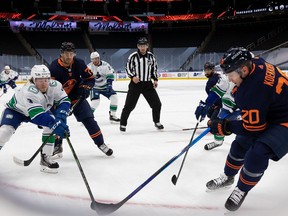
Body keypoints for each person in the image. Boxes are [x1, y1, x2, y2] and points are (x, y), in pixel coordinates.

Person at [206, 47, 288, 212]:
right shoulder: (254, 63)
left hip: (284, 120)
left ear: (243, 69)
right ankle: (228, 177)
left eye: (231, 75)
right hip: (271, 110)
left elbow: (252, 129)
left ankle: (242, 189)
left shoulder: (252, 91)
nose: (229, 79)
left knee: (258, 153)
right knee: (240, 144)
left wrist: (225, 126)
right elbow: (247, 98)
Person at [0, 64, 70, 173]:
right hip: (16, 111)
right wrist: (56, 124)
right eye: (40, 80)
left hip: (38, 110)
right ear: (33, 79)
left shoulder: (55, 85)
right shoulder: (29, 91)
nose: (44, 83)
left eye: (46, 79)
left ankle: (46, 158)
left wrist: (61, 115)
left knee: (51, 126)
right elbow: (38, 117)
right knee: (4, 132)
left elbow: (64, 101)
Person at [49, 42, 113, 157]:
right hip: (60, 101)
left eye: (71, 53)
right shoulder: (54, 67)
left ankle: (101, 144)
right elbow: (50, 89)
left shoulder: (79, 63)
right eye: (66, 53)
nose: (69, 56)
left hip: (77, 98)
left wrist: (86, 88)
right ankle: (57, 146)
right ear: (61, 54)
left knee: (90, 120)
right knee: (58, 123)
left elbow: (90, 78)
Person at [120, 37, 163, 132]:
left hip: (148, 84)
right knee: (129, 106)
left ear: (147, 46)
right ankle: (123, 123)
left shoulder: (151, 56)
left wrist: (155, 79)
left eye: (144, 45)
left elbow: (154, 69)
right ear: (138, 46)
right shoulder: (133, 56)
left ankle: (157, 121)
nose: (143, 47)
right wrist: (132, 77)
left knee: (157, 104)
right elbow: (127, 68)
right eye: (141, 46)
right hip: (136, 84)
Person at [195, 62, 225, 150]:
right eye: (205, 70)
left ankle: (218, 141)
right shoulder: (215, 77)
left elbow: (219, 94)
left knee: (215, 123)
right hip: (218, 103)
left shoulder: (214, 80)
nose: (206, 72)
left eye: (208, 70)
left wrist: (214, 104)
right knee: (209, 113)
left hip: (225, 104)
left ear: (213, 70)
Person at [87, 51, 120, 122]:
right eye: (93, 59)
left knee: (114, 98)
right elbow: (85, 77)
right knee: (95, 102)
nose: (94, 61)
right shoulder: (89, 67)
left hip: (105, 86)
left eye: (96, 59)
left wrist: (109, 85)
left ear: (99, 58)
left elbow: (110, 76)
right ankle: (87, 118)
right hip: (94, 87)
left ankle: (112, 115)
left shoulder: (105, 65)